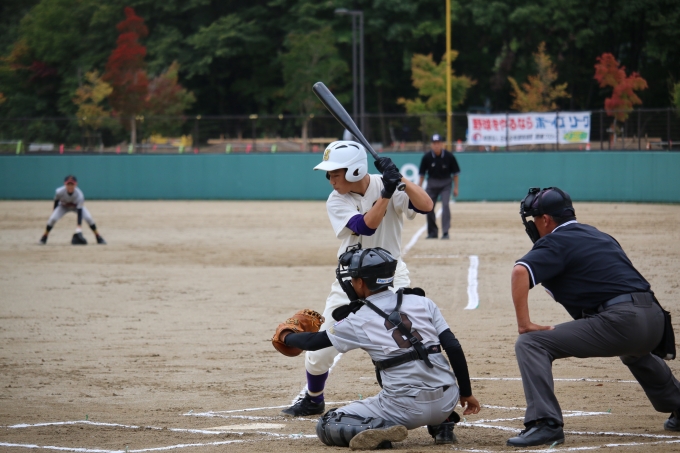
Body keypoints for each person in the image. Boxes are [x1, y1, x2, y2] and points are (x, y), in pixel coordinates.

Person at [507, 187, 680, 447]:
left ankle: (545, 423)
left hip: (622, 321)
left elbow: (520, 272)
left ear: (546, 220)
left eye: (535, 219)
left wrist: (524, 324)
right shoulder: (599, 235)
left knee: (530, 343)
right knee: (634, 352)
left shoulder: (555, 241)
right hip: (655, 319)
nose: (533, 225)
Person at [281, 140, 433, 417]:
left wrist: (400, 180)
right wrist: (386, 193)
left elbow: (426, 205)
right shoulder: (336, 199)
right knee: (321, 351)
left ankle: (432, 405)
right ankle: (313, 399)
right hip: (350, 280)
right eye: (328, 174)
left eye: (335, 173)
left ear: (354, 171)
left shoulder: (387, 183)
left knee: (406, 341)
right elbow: (365, 225)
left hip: (391, 277)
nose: (331, 180)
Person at [280, 246, 480, 449]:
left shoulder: (358, 319)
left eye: (353, 278)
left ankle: (380, 430)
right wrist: (466, 393)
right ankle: (443, 425)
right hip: (447, 402)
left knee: (327, 423)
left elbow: (313, 343)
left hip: (404, 411)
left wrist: (285, 336)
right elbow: (453, 347)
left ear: (360, 282)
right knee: (421, 359)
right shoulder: (423, 302)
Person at [39, 175, 106, 245]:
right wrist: (54, 212)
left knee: (89, 218)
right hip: (63, 206)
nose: (70, 186)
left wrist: (79, 227)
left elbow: (79, 212)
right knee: (52, 219)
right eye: (68, 184)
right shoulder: (59, 191)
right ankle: (44, 236)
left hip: (76, 207)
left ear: (76, 184)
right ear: (65, 184)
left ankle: (98, 237)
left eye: (72, 184)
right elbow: (56, 201)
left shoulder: (80, 195)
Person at [418, 134, 460, 240]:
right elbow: (422, 174)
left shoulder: (449, 156)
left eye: (438, 143)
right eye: (434, 143)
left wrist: (456, 188)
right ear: (431, 145)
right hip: (432, 184)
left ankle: (445, 232)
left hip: (446, 183)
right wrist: (419, 188)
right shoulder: (427, 157)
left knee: (445, 205)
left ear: (442, 144)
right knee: (428, 207)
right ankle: (432, 232)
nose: (436, 145)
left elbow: (455, 173)